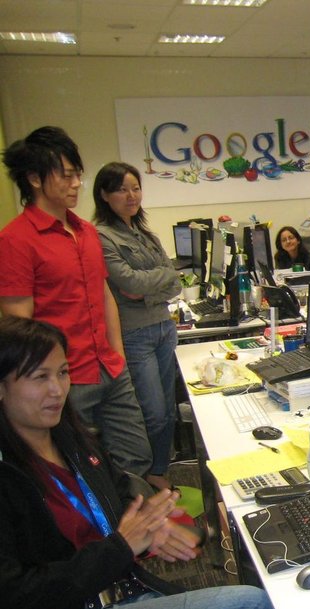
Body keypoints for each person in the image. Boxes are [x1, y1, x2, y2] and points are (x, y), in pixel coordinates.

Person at [0, 316, 280, 609]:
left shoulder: (70, 439)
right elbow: (13, 598)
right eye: (40, 377)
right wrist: (120, 548)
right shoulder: (9, 472)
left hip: (118, 590)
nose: (57, 390)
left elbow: (118, 499)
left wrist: (152, 530)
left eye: (63, 373)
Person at [0, 126, 153, 480]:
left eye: (77, 175)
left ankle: (136, 527)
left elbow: (103, 295)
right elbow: (21, 327)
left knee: (135, 456)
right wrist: (50, 379)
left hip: (109, 366)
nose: (75, 184)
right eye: (66, 175)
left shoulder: (85, 231)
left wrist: (117, 355)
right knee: (78, 469)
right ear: (35, 179)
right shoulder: (15, 240)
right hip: (66, 379)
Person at [92, 162, 181, 492]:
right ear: (104, 194)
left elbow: (174, 282)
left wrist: (148, 287)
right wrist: (155, 283)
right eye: (121, 189)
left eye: (135, 188)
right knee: (153, 412)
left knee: (169, 410)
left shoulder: (144, 234)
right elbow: (126, 283)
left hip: (163, 327)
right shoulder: (101, 236)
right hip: (134, 334)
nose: (131, 196)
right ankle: (142, 478)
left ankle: (158, 470)